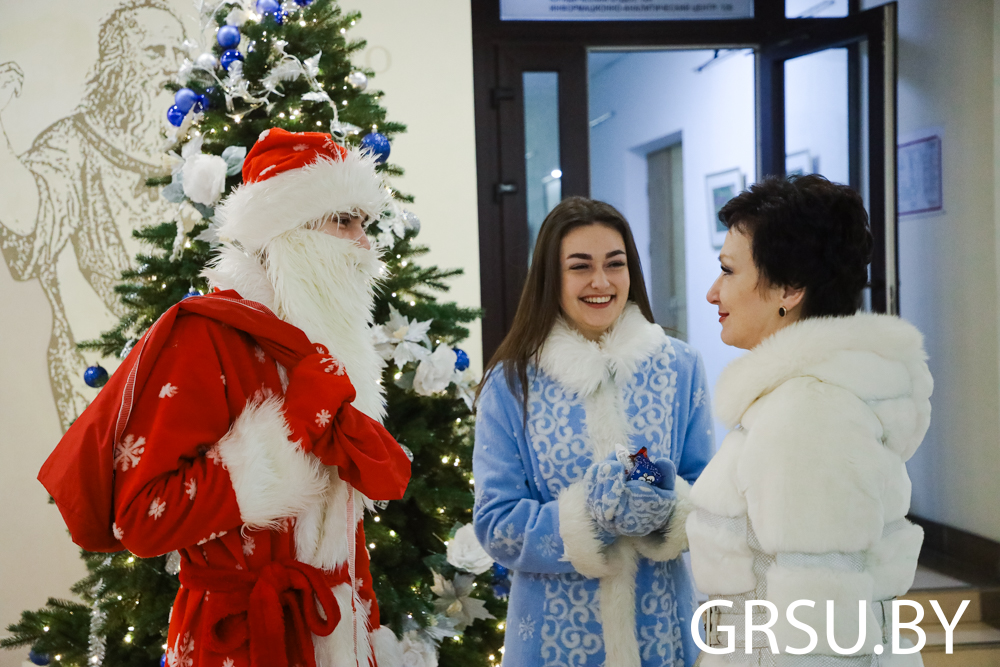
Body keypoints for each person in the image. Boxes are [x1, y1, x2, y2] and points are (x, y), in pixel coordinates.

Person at [39, 129, 412, 667]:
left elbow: (342, 536)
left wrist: (368, 631)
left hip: (337, 634)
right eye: (343, 222)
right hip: (236, 641)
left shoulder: (331, 353)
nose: (365, 244)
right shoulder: (205, 338)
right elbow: (142, 520)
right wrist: (284, 437)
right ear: (288, 233)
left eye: (365, 224)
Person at [689, 174, 931, 665]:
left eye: (728, 271)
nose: (714, 293)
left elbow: (819, 622)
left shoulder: (809, 411)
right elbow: (756, 533)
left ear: (789, 288)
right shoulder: (799, 402)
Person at [473, 196, 714, 667]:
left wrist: (662, 506)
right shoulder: (511, 384)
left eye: (615, 264)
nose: (601, 282)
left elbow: (708, 495)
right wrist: (590, 518)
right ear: (551, 278)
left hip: (660, 632)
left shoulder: (679, 368)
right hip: (553, 637)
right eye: (580, 267)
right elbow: (495, 523)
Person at [0, 0, 185, 428]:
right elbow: (32, 216)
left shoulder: (203, 147)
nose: (172, 68)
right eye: (155, 52)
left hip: (196, 369)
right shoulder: (73, 142)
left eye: (178, 53)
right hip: (102, 371)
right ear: (118, 65)